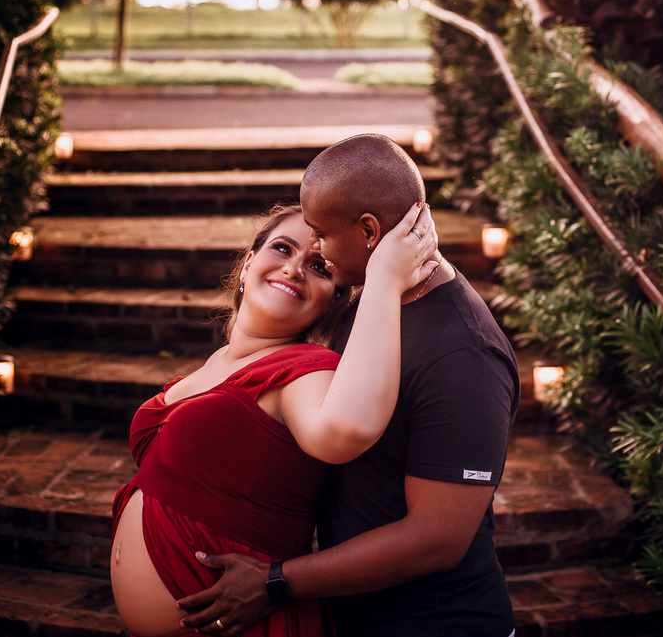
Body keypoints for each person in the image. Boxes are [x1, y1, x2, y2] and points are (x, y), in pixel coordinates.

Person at [179, 134, 521, 637]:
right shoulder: (370, 298)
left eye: (320, 233)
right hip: (350, 617)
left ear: (368, 230)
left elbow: (437, 538)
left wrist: (277, 582)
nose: (315, 247)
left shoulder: (466, 354)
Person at [110, 201, 439, 637]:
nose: (295, 268)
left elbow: (346, 431)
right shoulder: (216, 363)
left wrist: (384, 279)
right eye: (283, 249)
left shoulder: (305, 368)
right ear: (248, 265)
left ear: (333, 301)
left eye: (320, 267)